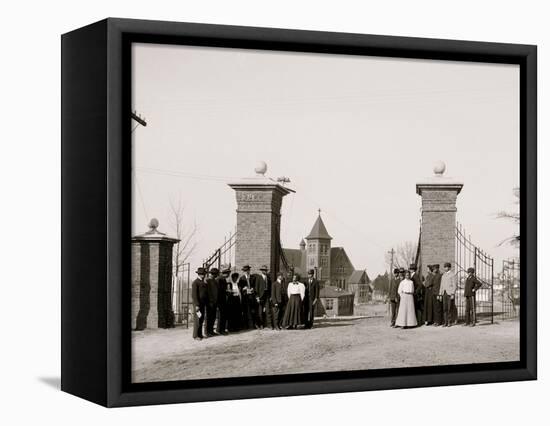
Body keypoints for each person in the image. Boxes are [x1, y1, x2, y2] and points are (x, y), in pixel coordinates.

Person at [191, 267, 209, 341]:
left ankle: (200, 334)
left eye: (204, 274)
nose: (204, 275)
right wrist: (196, 305)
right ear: (199, 274)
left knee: (201, 319)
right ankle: (195, 336)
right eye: (202, 274)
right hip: (198, 304)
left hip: (203, 304)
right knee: (197, 320)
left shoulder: (203, 282)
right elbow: (194, 295)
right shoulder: (195, 282)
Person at [238, 265, 257, 329]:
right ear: (244, 271)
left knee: (252, 311)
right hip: (245, 297)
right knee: (245, 311)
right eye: (245, 271)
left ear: (249, 270)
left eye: (248, 270)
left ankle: (253, 325)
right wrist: (244, 289)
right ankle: (245, 326)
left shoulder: (253, 277)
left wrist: (253, 289)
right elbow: (240, 289)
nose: (247, 272)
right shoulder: (241, 278)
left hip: (252, 297)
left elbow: (255, 286)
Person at [439, 262, 457, 327]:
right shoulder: (443, 275)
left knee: (449, 308)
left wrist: (453, 293)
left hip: (450, 293)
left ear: (449, 267)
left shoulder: (453, 275)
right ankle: (445, 322)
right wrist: (440, 294)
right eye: (444, 267)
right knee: (445, 308)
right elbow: (441, 285)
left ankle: (449, 322)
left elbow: (454, 285)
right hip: (444, 293)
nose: (445, 268)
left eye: (446, 267)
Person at [256, 265, 274, 329]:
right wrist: (257, 297)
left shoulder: (268, 278)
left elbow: (270, 288)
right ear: (262, 271)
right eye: (264, 270)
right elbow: (256, 288)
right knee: (260, 312)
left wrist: (270, 296)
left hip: (267, 296)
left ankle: (269, 325)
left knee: (268, 310)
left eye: (266, 270)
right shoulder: (259, 278)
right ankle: (260, 324)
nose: (265, 271)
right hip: (260, 296)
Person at [216, 267, 231, 335]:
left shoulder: (223, 279)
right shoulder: (220, 279)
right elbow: (219, 291)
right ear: (225, 273)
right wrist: (226, 291)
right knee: (221, 315)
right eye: (228, 273)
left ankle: (220, 329)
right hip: (220, 300)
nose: (228, 275)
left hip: (223, 300)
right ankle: (220, 330)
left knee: (223, 315)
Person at [205, 268, 220, 337]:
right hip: (209, 302)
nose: (217, 275)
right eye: (216, 274)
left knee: (213, 317)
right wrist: (210, 301)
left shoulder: (215, 281)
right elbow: (207, 292)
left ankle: (211, 331)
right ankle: (207, 332)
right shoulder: (208, 281)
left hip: (215, 301)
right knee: (209, 317)